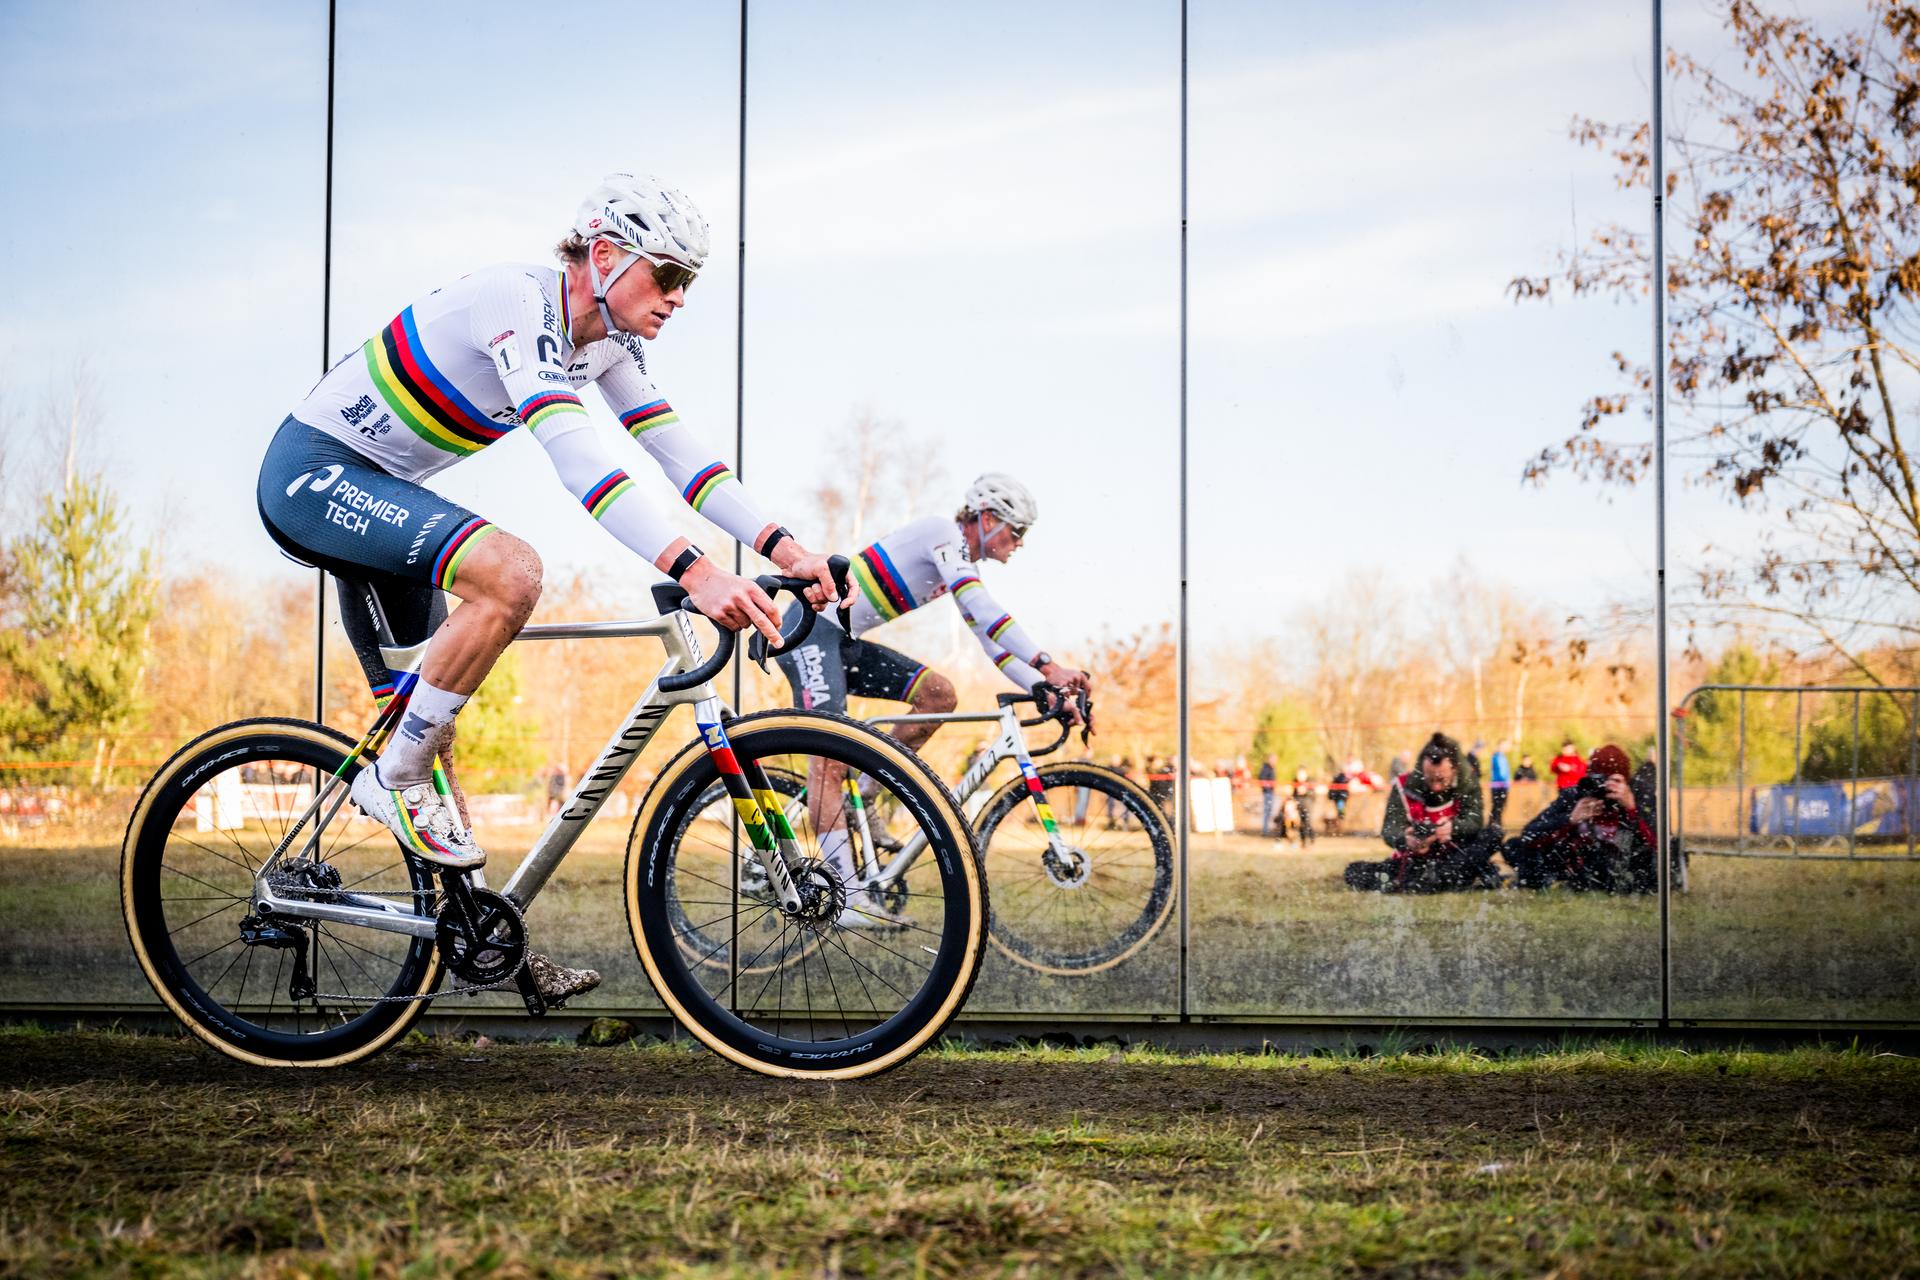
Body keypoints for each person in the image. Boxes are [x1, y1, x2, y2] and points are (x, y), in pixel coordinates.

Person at [256, 173, 840, 999]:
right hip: (315, 473)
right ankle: (389, 783)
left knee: (431, 731)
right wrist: (697, 571)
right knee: (511, 574)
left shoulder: (605, 342)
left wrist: (786, 544)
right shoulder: (518, 304)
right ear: (603, 256)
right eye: (667, 275)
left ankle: (489, 946)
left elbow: (683, 459)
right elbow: (580, 460)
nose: (677, 298)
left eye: (689, 284)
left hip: (384, 492)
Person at [771, 474, 1091, 926]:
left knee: (938, 695)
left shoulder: (961, 565)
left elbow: (989, 638)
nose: (1019, 544)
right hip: (809, 635)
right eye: (1016, 532)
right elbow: (983, 611)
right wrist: (1046, 663)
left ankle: (866, 792)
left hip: (843, 639)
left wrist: (1042, 686)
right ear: (987, 518)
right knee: (829, 757)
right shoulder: (943, 534)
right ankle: (846, 896)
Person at [1344, 732, 1501, 893]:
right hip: (1416, 860)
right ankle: (1441, 880)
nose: (1436, 787)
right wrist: (1405, 839)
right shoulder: (1402, 785)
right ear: (1422, 769)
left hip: (1456, 856)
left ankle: (1438, 879)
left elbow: (1474, 822)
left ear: (1455, 770)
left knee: (1494, 834)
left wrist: (1453, 828)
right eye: (1430, 779)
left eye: (1442, 780)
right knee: (1355, 872)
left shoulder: (1468, 783)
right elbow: (1389, 830)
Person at [1505, 744, 1655, 892]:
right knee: (1514, 845)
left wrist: (1631, 810)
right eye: (1599, 778)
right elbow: (1529, 833)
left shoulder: (1634, 797)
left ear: (1625, 781)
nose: (1604, 786)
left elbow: (1658, 845)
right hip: (1577, 869)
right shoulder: (1576, 796)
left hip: (1619, 870)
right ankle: (1547, 880)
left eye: (1613, 780)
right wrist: (1569, 819)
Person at [1488, 740, 1512, 827]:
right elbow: (1501, 773)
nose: (1506, 747)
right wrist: (1503, 782)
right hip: (1498, 786)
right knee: (1497, 806)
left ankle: (1495, 823)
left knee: (1499, 806)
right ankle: (1494, 824)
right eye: (1505, 745)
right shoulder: (1497, 756)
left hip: (1502, 785)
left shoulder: (1502, 757)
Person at [1291, 768, 1316, 847]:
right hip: (1299, 804)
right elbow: (1293, 794)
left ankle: (1312, 838)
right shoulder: (1295, 781)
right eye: (1299, 774)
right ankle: (1303, 842)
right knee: (1301, 824)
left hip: (1308, 804)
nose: (1300, 776)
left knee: (1308, 823)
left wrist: (1306, 791)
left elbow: (1313, 794)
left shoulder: (1309, 782)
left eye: (1302, 774)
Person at [1257, 755, 1278, 836]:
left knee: (1269, 811)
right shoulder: (1266, 768)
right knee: (1267, 811)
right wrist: (1267, 787)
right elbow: (1261, 779)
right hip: (1267, 793)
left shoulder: (1271, 768)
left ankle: (1266, 829)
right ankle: (1265, 830)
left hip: (1270, 792)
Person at [1326, 767, 1350, 835]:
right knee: (1340, 813)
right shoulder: (1344, 779)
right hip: (1340, 798)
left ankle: (1340, 828)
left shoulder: (1337, 779)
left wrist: (1331, 796)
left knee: (1340, 813)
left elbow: (1332, 789)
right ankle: (1340, 829)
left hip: (1338, 798)